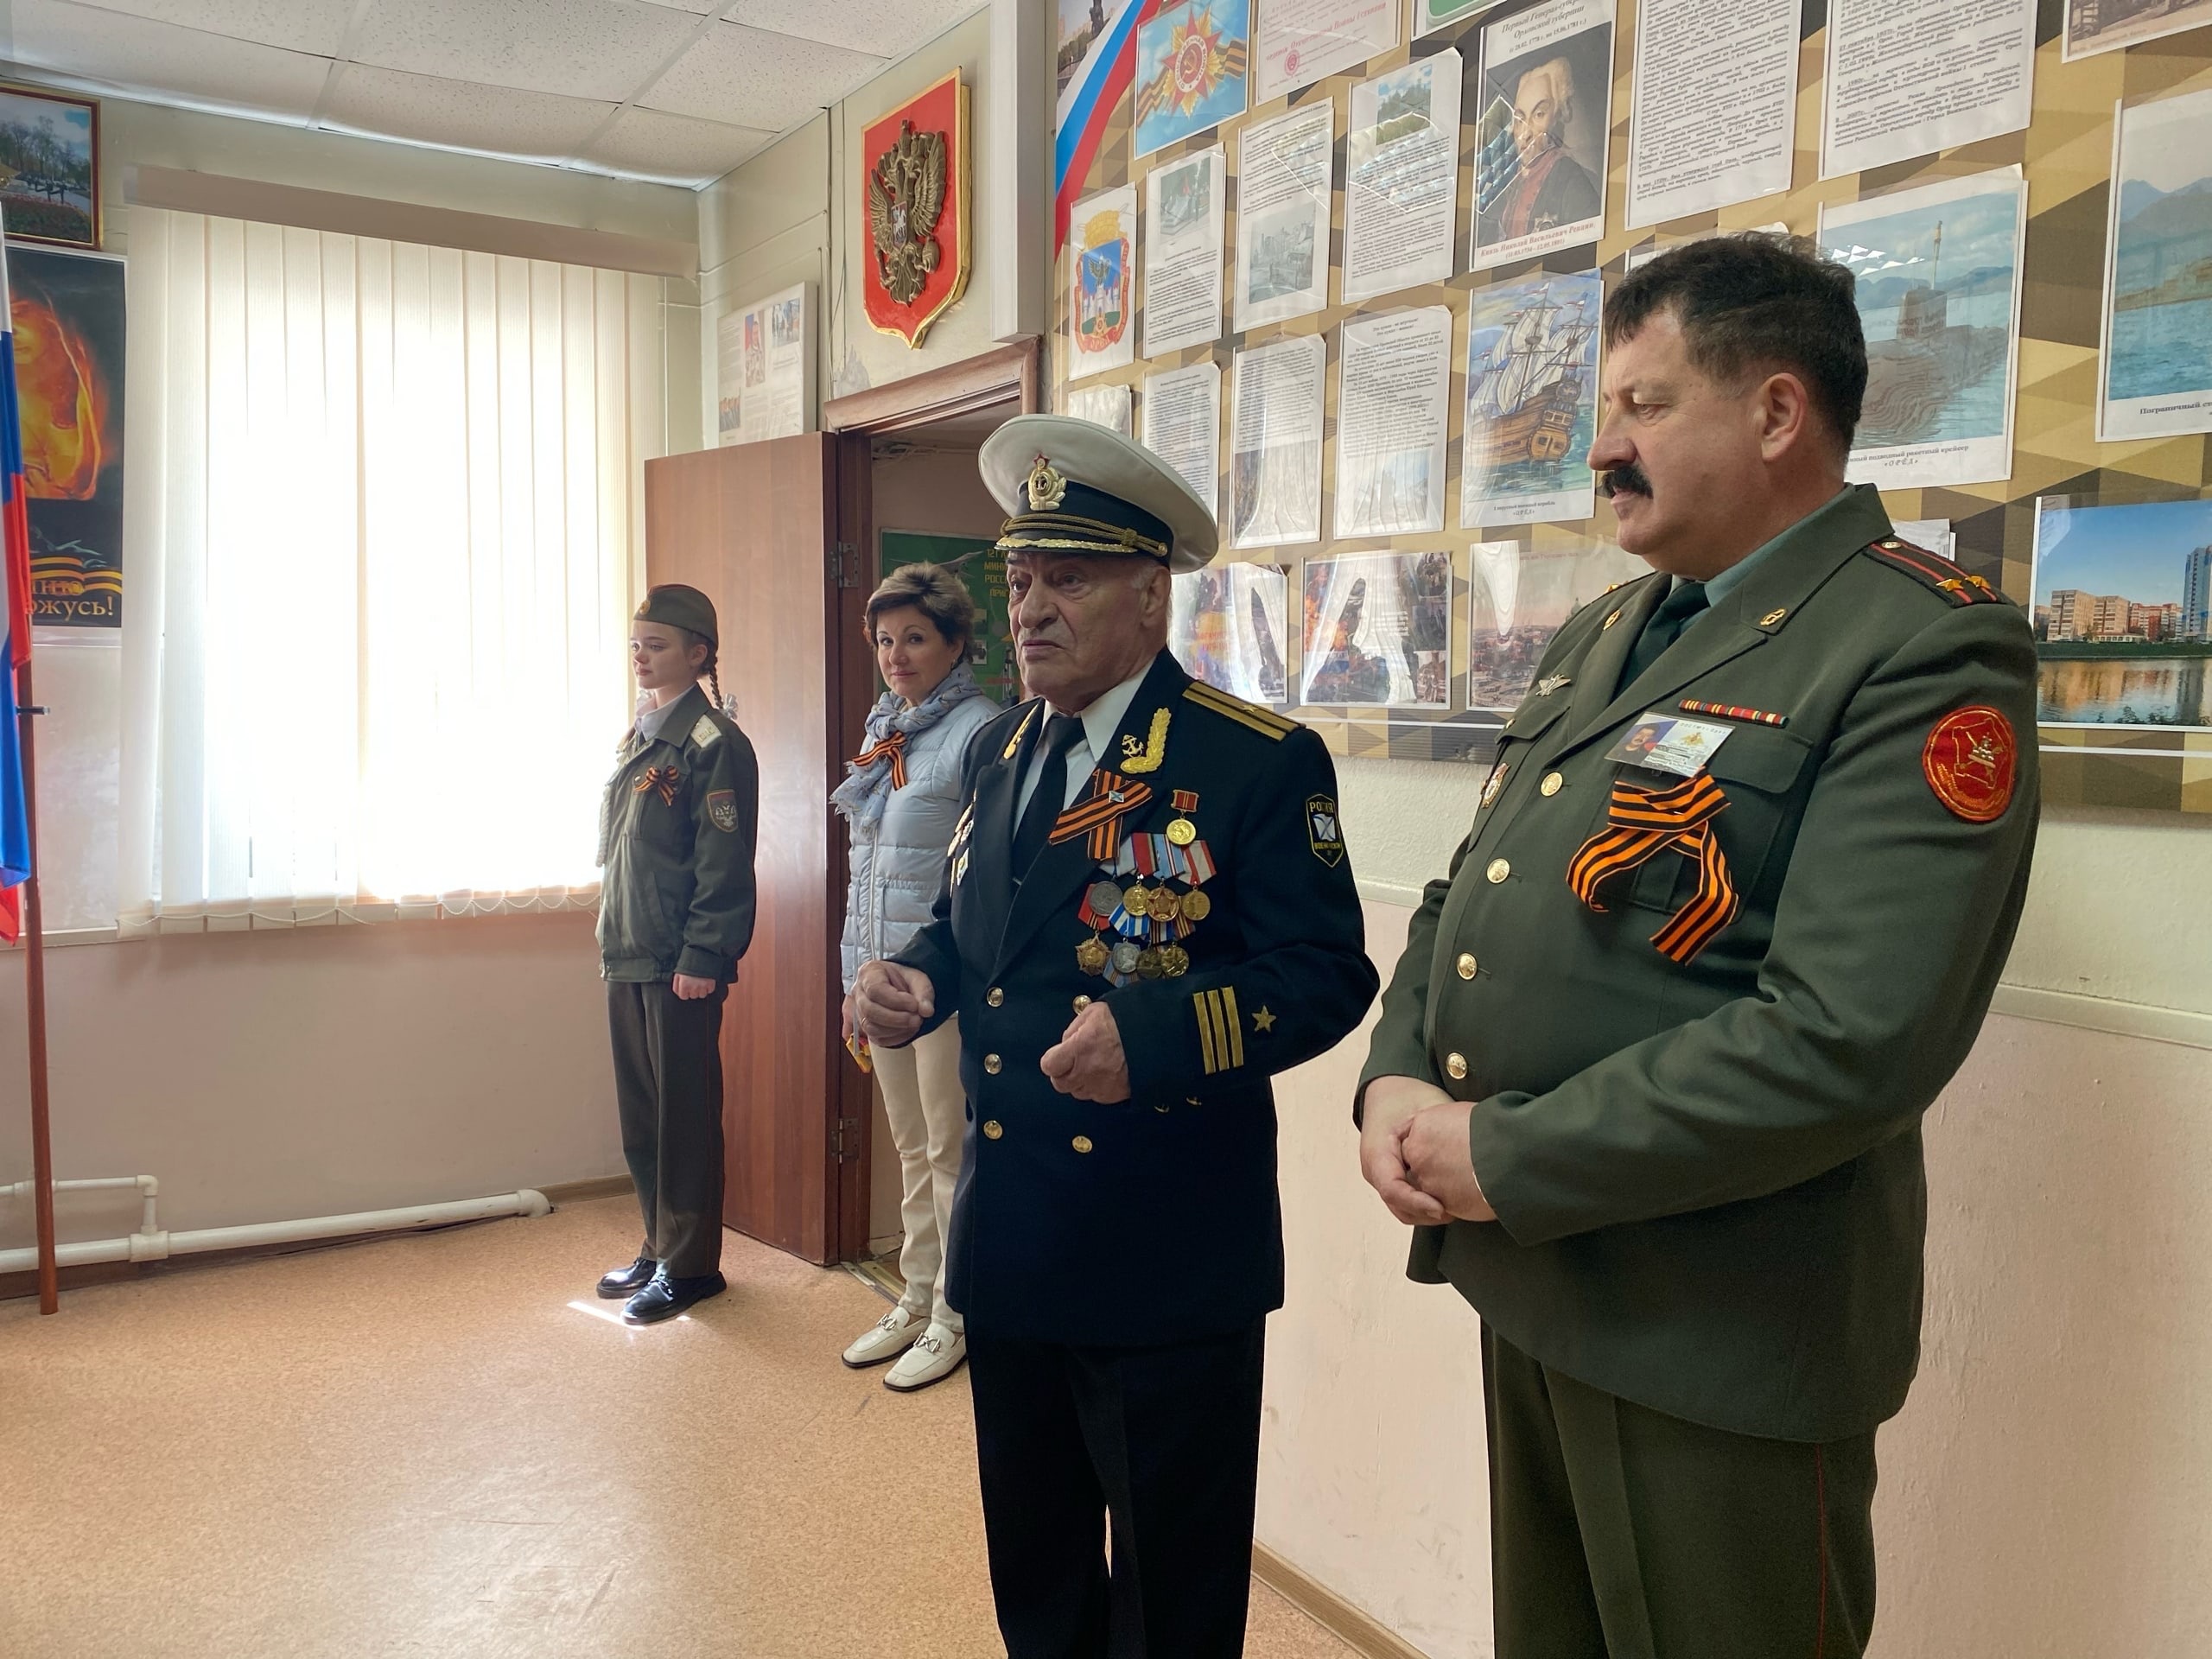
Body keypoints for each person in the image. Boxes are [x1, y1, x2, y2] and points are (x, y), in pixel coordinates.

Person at [1357, 235, 2039, 1657]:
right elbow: (1468, 892)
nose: (1601, 449)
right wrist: (1399, 1075)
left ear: (1778, 413)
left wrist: (1506, 1158)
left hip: (1715, 1333)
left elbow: (1852, 1038)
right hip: (1537, 1282)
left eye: (1644, 405)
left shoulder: (1916, 646)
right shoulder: (1609, 631)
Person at [852, 415, 1378, 1658]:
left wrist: (1154, 1036)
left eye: (1069, 578)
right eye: (1021, 580)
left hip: (1161, 1249)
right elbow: (971, 927)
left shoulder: (1252, 762)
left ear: (1152, 594)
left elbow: (1326, 975)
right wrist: (913, 980)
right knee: (1036, 1570)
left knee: (1173, 1587)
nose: (1030, 608)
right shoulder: (1002, 749)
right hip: (1016, 1234)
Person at [832, 563, 1000, 1393]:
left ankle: (955, 1315)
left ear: (956, 643)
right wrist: (852, 977)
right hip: (881, 980)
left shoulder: (982, 732)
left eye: (915, 639)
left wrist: (921, 972)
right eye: (885, 640)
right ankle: (917, 1292)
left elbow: (979, 878)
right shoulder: (887, 728)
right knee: (908, 1143)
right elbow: (869, 868)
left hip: (942, 982)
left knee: (947, 1147)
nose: (897, 655)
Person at [595, 585, 760, 1326]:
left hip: (677, 961)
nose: (641, 655)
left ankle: (692, 1267)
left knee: (684, 1114)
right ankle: (661, 1243)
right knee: (643, 1115)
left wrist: (705, 951)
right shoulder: (639, 736)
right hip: (629, 950)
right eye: (636, 642)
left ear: (698, 652)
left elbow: (722, 860)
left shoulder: (713, 742)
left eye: (656, 644)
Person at [1480, 56, 1600, 245]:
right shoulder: (1508, 186)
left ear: (1559, 115)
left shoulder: (1575, 182)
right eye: (1520, 119)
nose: (1525, 133)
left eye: (1539, 114)